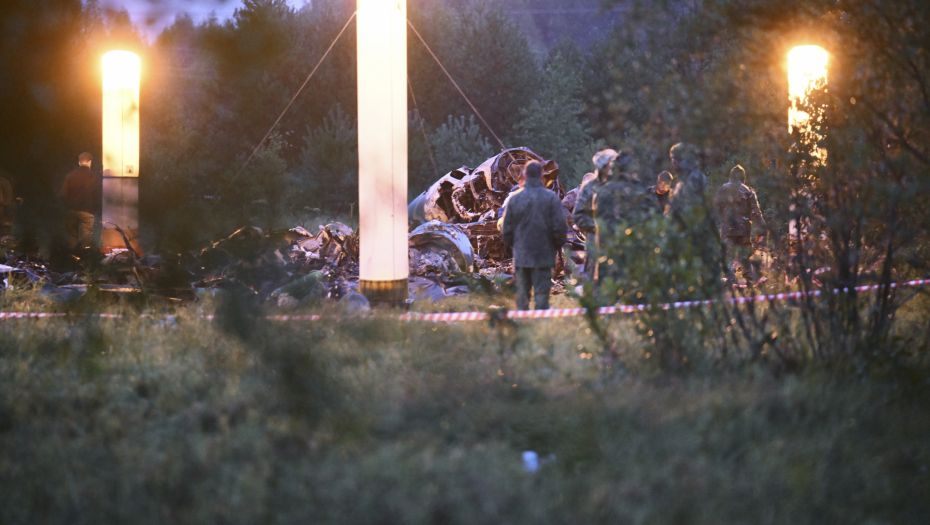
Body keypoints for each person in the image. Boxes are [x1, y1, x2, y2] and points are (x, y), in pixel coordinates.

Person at [502, 161, 568, 310]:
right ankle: (541, 329)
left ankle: (523, 329)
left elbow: (506, 230)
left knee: (522, 298)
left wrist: (517, 246)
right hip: (544, 257)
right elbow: (560, 230)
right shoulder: (551, 199)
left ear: (524, 176)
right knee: (542, 298)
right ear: (542, 177)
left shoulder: (515, 199)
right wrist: (553, 247)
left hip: (522, 256)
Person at [591, 153, 651, 281]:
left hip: (610, 254)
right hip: (634, 254)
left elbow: (600, 226)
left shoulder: (604, 191)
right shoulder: (639, 190)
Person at [572, 149, 627, 280]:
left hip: (619, 241)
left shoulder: (621, 187)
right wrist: (598, 226)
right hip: (595, 242)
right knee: (594, 279)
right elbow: (578, 216)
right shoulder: (589, 188)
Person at [713, 165, 768, 282]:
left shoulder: (722, 190)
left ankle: (730, 284)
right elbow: (756, 213)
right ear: (743, 177)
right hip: (744, 230)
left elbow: (715, 211)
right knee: (745, 259)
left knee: (728, 259)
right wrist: (761, 231)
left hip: (727, 230)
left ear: (730, 177)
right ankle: (750, 282)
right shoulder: (748, 191)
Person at [60, 152, 99, 250]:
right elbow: (97, 195)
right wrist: (94, 208)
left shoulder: (70, 175)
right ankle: (84, 258)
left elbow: (63, 194)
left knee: (72, 236)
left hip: (71, 210)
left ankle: (73, 257)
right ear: (90, 162)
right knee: (86, 238)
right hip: (87, 211)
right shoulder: (94, 176)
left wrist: (68, 206)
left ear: (79, 162)